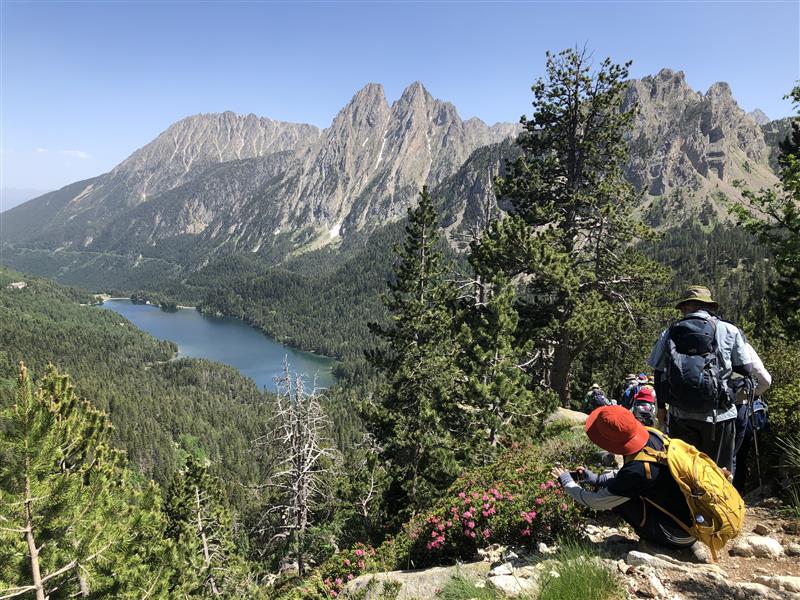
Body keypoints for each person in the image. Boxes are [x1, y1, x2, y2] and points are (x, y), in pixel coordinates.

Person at [551, 406, 697, 549]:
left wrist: (566, 481)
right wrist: (595, 479)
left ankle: (656, 541)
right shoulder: (652, 435)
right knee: (622, 490)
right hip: (693, 521)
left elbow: (595, 501)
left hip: (678, 535)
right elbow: (628, 477)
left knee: (620, 501)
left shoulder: (638, 470)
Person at [648, 286, 752, 471]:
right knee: (720, 471)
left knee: (686, 471)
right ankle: (720, 499)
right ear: (708, 306)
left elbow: (659, 371)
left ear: (685, 307)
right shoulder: (728, 330)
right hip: (720, 415)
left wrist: (662, 408)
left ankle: (687, 500)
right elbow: (745, 368)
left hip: (681, 414)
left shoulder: (670, 332)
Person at [732, 342, 771, 492]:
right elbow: (766, 381)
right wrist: (752, 394)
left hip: (705, 409)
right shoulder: (743, 346)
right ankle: (735, 493)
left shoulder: (709, 346)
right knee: (738, 455)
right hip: (739, 406)